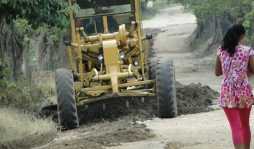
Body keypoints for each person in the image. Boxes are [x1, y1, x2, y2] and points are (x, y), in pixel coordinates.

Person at [215, 23, 254, 149]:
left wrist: (229, 70)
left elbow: (217, 72)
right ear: (242, 36)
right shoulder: (247, 51)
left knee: (235, 127)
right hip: (244, 92)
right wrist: (246, 70)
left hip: (227, 93)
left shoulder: (220, 50)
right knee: (245, 125)